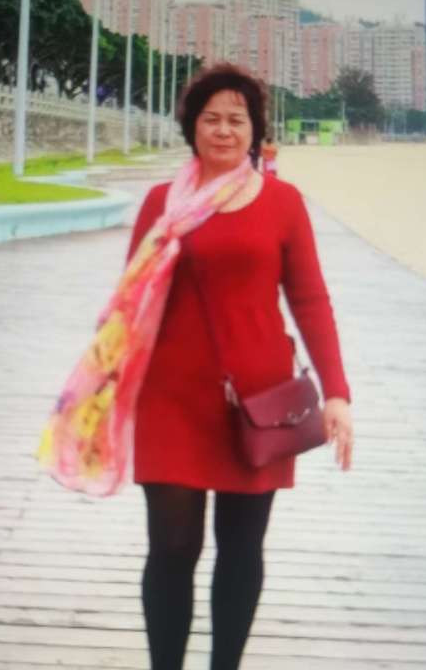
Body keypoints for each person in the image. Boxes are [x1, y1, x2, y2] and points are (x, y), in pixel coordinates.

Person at [125, 64, 353, 670]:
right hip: (170, 397)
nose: (223, 130)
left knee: (242, 547)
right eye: (211, 119)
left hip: (258, 400)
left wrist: (336, 392)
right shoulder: (161, 204)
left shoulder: (283, 203)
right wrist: (106, 385)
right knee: (171, 547)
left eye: (236, 119)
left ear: (254, 130)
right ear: (191, 127)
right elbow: (131, 300)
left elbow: (310, 299)